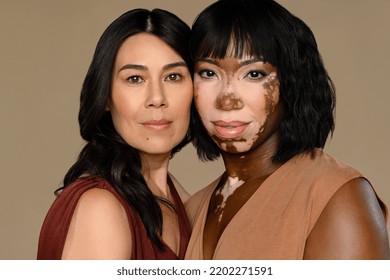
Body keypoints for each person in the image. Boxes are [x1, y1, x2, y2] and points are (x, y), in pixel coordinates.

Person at [185, 0, 390, 259]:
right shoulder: (192, 209)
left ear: (292, 83)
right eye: (208, 73)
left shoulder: (336, 196)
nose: (227, 99)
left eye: (254, 74)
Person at [37, 8, 193, 260]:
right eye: (135, 79)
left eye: (173, 76)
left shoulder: (173, 193)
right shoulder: (101, 208)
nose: (157, 99)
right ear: (106, 96)